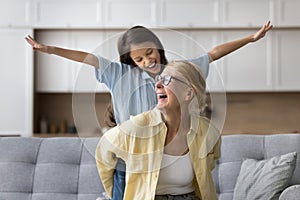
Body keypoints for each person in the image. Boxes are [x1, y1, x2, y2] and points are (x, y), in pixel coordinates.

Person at [25, 21, 272, 200]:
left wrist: (250, 39)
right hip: (131, 157)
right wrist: (51, 50)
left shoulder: (175, 72)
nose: (147, 61)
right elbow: (88, 58)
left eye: (149, 53)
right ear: (130, 61)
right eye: (138, 59)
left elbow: (212, 54)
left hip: (165, 153)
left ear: (157, 46)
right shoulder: (119, 74)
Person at [96, 60, 221, 200]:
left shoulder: (208, 131)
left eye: (167, 79)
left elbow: (208, 166)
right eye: (159, 79)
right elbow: (104, 152)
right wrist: (116, 194)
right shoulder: (137, 127)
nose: (157, 85)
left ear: (188, 93)